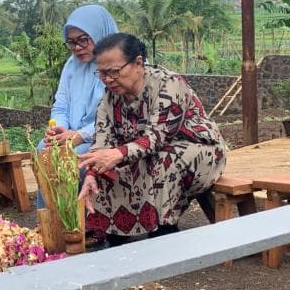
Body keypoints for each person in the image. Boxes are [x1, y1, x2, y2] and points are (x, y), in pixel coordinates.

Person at [77, 33, 226, 245]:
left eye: (114, 72)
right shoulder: (109, 97)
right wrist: (92, 172)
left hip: (201, 151)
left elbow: (157, 137)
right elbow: (102, 139)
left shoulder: (169, 85)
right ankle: (117, 237)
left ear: (138, 63)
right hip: (144, 152)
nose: (108, 79)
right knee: (107, 168)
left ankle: (163, 232)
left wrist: (118, 153)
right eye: (102, 73)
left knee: (160, 160)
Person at [36, 4, 118, 208]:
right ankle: (50, 219)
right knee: (44, 150)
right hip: (72, 135)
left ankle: (82, 224)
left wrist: (80, 135)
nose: (77, 47)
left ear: (100, 34)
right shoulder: (72, 65)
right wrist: (59, 128)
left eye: (83, 39)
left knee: (76, 157)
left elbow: (119, 113)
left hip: (108, 136)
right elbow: (61, 104)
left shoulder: (118, 64)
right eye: (71, 42)